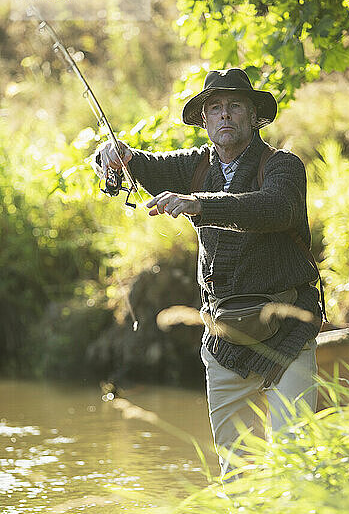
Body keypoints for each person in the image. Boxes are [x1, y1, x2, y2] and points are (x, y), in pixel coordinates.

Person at [96, 68, 323, 478]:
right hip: (223, 341)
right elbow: (139, 165)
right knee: (237, 474)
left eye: (236, 106)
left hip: (289, 334)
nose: (225, 115)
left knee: (297, 464)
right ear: (204, 121)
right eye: (215, 108)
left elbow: (274, 209)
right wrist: (112, 154)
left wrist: (200, 204)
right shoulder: (194, 165)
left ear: (254, 117)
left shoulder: (284, 166)